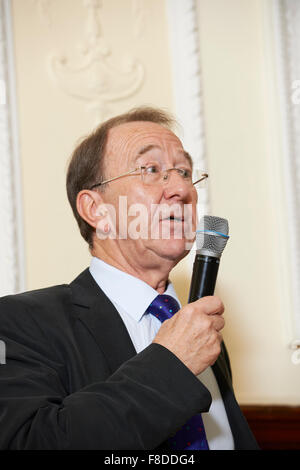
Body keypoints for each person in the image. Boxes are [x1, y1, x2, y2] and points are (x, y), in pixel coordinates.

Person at [0, 107, 258, 450]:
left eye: (184, 171)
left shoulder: (200, 326)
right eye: (151, 170)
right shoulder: (20, 322)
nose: (182, 188)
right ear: (96, 210)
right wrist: (171, 364)